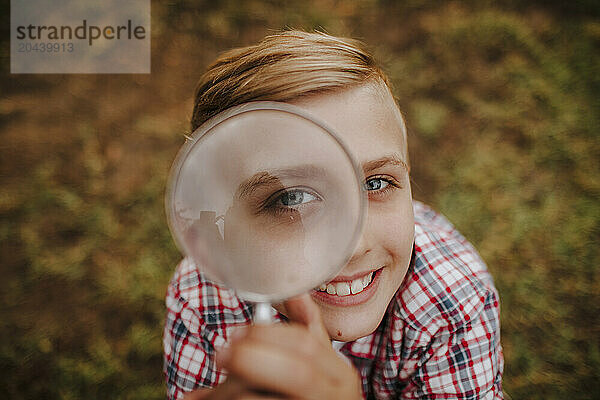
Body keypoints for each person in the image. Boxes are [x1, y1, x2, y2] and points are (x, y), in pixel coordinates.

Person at [163, 30, 504, 399]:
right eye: (292, 198)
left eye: (375, 184)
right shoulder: (202, 300)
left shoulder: (452, 304)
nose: (353, 245)